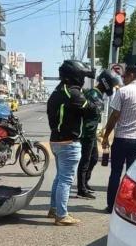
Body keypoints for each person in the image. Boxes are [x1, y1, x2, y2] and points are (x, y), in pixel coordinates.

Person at [47, 60, 99, 226]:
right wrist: (96, 101)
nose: (83, 79)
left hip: (56, 141)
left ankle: (54, 209)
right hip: (68, 143)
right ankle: (61, 215)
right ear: (76, 76)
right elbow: (91, 109)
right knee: (66, 180)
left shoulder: (56, 92)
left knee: (59, 177)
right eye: (82, 75)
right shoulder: (74, 93)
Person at [102, 66, 136, 213]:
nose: (123, 79)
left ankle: (111, 205)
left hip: (121, 139)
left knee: (115, 173)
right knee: (132, 177)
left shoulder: (123, 91)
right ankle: (128, 208)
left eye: (125, 76)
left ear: (131, 75)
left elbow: (114, 116)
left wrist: (106, 135)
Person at [77, 70, 120, 199]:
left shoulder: (99, 95)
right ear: (105, 82)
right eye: (112, 84)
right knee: (85, 160)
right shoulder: (93, 94)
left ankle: (85, 182)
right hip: (87, 133)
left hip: (92, 133)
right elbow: (87, 115)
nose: (112, 87)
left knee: (94, 158)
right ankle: (81, 189)